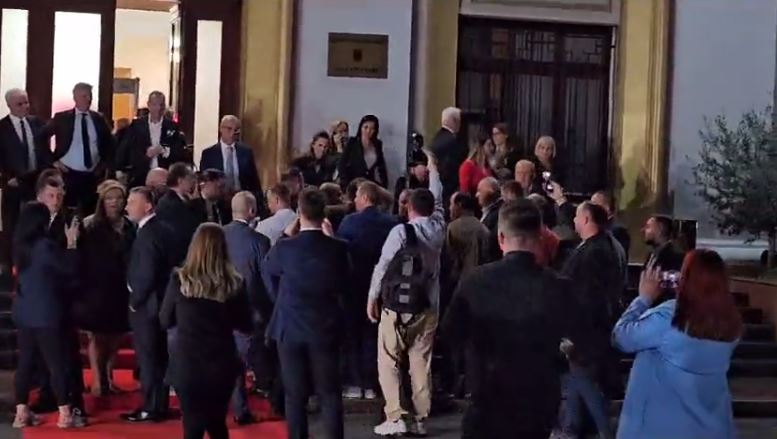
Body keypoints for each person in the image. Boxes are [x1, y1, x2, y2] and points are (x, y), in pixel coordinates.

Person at [442, 199, 586, 438]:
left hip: (488, 398)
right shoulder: (559, 287)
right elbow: (579, 340)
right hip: (538, 403)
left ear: (500, 237)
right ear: (540, 236)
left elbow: (450, 334)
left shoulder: (475, 282)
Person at [613, 250, 741, 439]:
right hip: (711, 429)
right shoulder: (730, 324)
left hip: (659, 429)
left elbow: (621, 337)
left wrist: (643, 299)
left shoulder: (669, 318)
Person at [368, 150, 445, 436]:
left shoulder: (400, 233)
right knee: (420, 364)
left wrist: (372, 298)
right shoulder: (439, 228)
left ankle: (395, 415)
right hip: (428, 305)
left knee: (389, 360)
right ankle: (421, 419)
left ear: (409, 207)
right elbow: (438, 197)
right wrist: (433, 169)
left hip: (397, 307)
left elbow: (383, 266)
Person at [262, 188, 350, 439]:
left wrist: (285, 235)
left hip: (289, 327)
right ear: (324, 214)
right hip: (325, 327)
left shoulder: (285, 247)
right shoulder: (338, 248)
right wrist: (332, 237)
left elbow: (267, 269)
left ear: (299, 213)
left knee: (295, 395)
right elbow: (347, 282)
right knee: (330, 393)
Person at [160, 223, 253, 439]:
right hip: (221, 365)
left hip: (187, 365)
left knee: (192, 426)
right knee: (217, 423)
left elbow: (165, 320)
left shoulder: (179, 280)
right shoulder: (234, 284)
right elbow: (246, 325)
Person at [557, 202, 626, 439]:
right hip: (595, 329)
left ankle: (606, 431)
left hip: (587, 331)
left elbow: (587, 297)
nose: (573, 221)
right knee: (577, 378)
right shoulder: (604, 246)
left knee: (583, 378)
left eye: (577, 216)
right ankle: (570, 428)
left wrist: (572, 333)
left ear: (586, 219)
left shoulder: (594, 252)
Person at [11, 202, 82, 429]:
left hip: (24, 312)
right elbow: (68, 270)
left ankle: (21, 413)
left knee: (25, 363)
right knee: (56, 363)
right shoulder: (45, 247)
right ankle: (65, 414)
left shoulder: (20, 247)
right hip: (47, 313)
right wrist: (72, 244)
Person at [336, 181, 398, 400]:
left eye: (356, 197)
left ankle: (355, 383)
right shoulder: (391, 223)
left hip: (353, 286)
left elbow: (341, 252)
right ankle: (372, 384)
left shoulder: (349, 222)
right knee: (375, 334)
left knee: (353, 334)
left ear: (364, 198)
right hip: (382, 287)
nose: (354, 201)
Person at [121, 186, 177, 423]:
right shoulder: (162, 229)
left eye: (132, 202)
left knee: (149, 359)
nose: (127, 206)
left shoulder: (148, 233)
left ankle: (150, 407)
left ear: (147, 206)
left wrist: (135, 301)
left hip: (148, 307)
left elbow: (147, 273)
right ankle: (158, 405)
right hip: (160, 305)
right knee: (158, 357)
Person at [74, 180, 135, 396]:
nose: (114, 202)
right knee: (98, 336)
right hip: (97, 288)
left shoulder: (129, 226)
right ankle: (98, 380)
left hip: (121, 287)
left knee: (116, 334)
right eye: (109, 198)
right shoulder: (91, 225)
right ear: (102, 201)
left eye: (118, 198)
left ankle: (108, 377)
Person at [223, 191, 272, 424]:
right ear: (252, 211)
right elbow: (267, 279)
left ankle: (235, 406)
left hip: (220, 306)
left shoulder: (217, 235)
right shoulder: (260, 241)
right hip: (251, 310)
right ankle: (259, 400)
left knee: (229, 359)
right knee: (250, 357)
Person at [36, 82, 114, 215]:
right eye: (84, 96)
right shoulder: (62, 118)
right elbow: (40, 138)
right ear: (75, 98)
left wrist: (104, 164)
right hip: (68, 174)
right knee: (67, 211)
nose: (88, 99)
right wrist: (53, 161)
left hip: (93, 175)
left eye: (89, 96)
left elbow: (110, 143)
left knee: (91, 211)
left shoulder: (98, 118)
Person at [0, 89, 45, 268]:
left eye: (26, 102)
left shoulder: (36, 123)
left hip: (35, 182)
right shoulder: (2, 128)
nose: (25, 106)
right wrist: (6, 179)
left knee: (35, 222)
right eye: (20, 104)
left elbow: (43, 150)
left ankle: (33, 260)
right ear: (9, 105)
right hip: (14, 183)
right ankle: (10, 264)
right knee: (12, 225)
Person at [115, 91, 186, 188]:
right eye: (155, 104)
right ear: (148, 105)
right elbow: (128, 149)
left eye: (161, 105)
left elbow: (179, 151)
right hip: (141, 175)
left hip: (165, 176)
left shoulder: (172, 126)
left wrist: (164, 151)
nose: (158, 108)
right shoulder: (137, 125)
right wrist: (146, 155)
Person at [199, 115, 263, 197]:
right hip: (218, 198)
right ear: (221, 129)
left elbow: (254, 182)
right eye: (229, 129)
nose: (232, 133)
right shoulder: (209, 154)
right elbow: (204, 182)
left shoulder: (246, 152)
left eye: (236, 130)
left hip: (241, 198)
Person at [156, 162, 202, 260]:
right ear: (180, 180)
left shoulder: (184, 200)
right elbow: (190, 228)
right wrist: (197, 203)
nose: (194, 181)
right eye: (191, 177)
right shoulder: (169, 203)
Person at [429, 107, 465, 211]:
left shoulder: (437, 138)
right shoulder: (452, 141)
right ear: (455, 121)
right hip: (447, 189)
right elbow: (451, 168)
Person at [338, 114, 388, 188]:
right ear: (361, 128)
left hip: (368, 184)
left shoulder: (377, 144)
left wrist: (384, 185)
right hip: (353, 183)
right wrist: (345, 184)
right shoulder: (352, 142)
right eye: (366, 127)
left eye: (372, 128)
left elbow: (381, 167)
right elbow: (341, 164)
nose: (368, 131)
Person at [591, 190, 631, 260]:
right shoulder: (595, 228)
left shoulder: (618, 231)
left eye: (594, 205)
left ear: (606, 208)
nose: (589, 209)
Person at [392, 148, 429, 215]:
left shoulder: (427, 184)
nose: (427, 170)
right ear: (413, 168)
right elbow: (396, 208)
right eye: (424, 166)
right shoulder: (403, 182)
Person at [477, 177, 503, 263]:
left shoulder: (500, 212)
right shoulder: (490, 211)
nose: (477, 195)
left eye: (480, 191)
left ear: (491, 191)